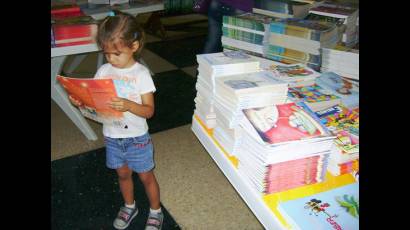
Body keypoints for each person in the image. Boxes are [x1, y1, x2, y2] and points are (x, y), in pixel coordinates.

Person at [69, 10, 163, 230]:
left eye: (116, 53)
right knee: (122, 175)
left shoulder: (142, 74)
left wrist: (130, 105)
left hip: (137, 137)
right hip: (113, 136)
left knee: (146, 176)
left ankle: (156, 211)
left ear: (134, 46)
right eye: (107, 53)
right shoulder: (103, 71)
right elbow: (95, 103)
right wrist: (81, 101)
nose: (111, 59)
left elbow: (149, 111)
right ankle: (129, 206)